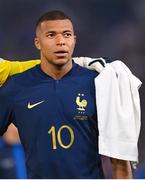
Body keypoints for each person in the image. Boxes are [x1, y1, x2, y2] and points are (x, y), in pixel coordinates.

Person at [0, 10, 132, 178]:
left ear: (74, 40)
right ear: (37, 42)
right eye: (51, 35)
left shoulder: (98, 84)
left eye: (67, 34)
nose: (60, 41)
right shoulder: (17, 87)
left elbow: (119, 155)